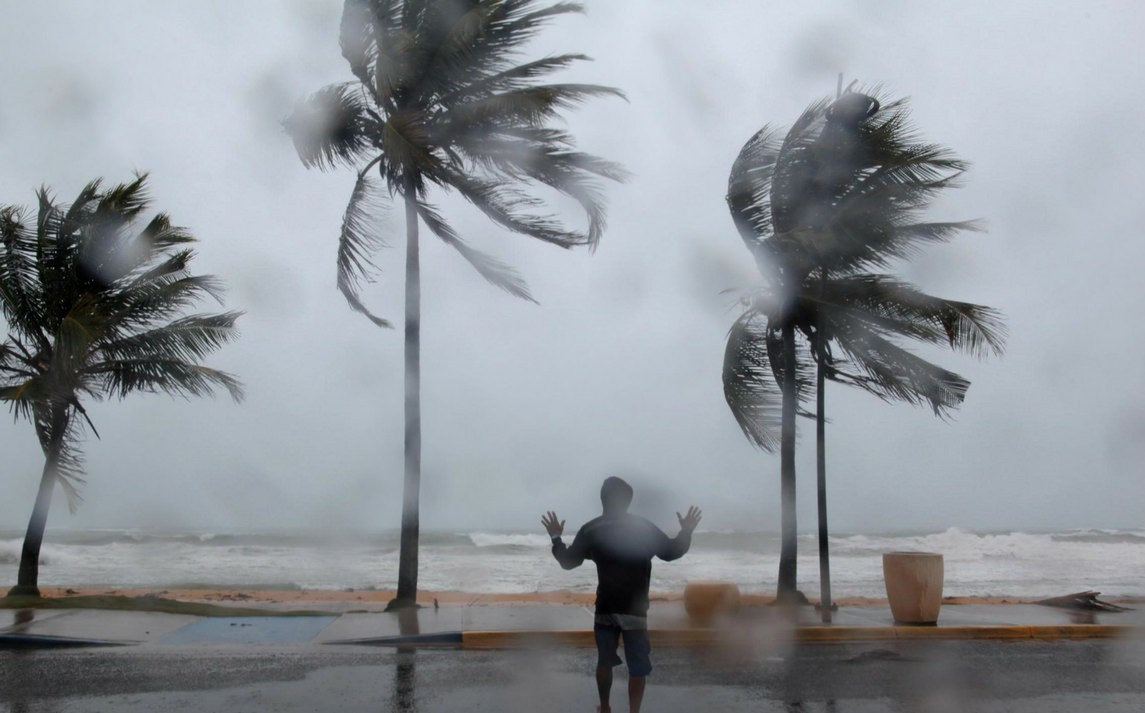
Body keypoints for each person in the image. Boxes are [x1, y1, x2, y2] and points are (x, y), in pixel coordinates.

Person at [542, 476, 701, 713]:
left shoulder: (591, 529)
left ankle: (605, 707)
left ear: (603, 499)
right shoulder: (643, 528)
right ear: (628, 501)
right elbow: (671, 552)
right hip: (634, 609)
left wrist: (556, 538)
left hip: (605, 607)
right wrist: (686, 530)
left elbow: (568, 562)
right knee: (637, 667)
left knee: (604, 661)